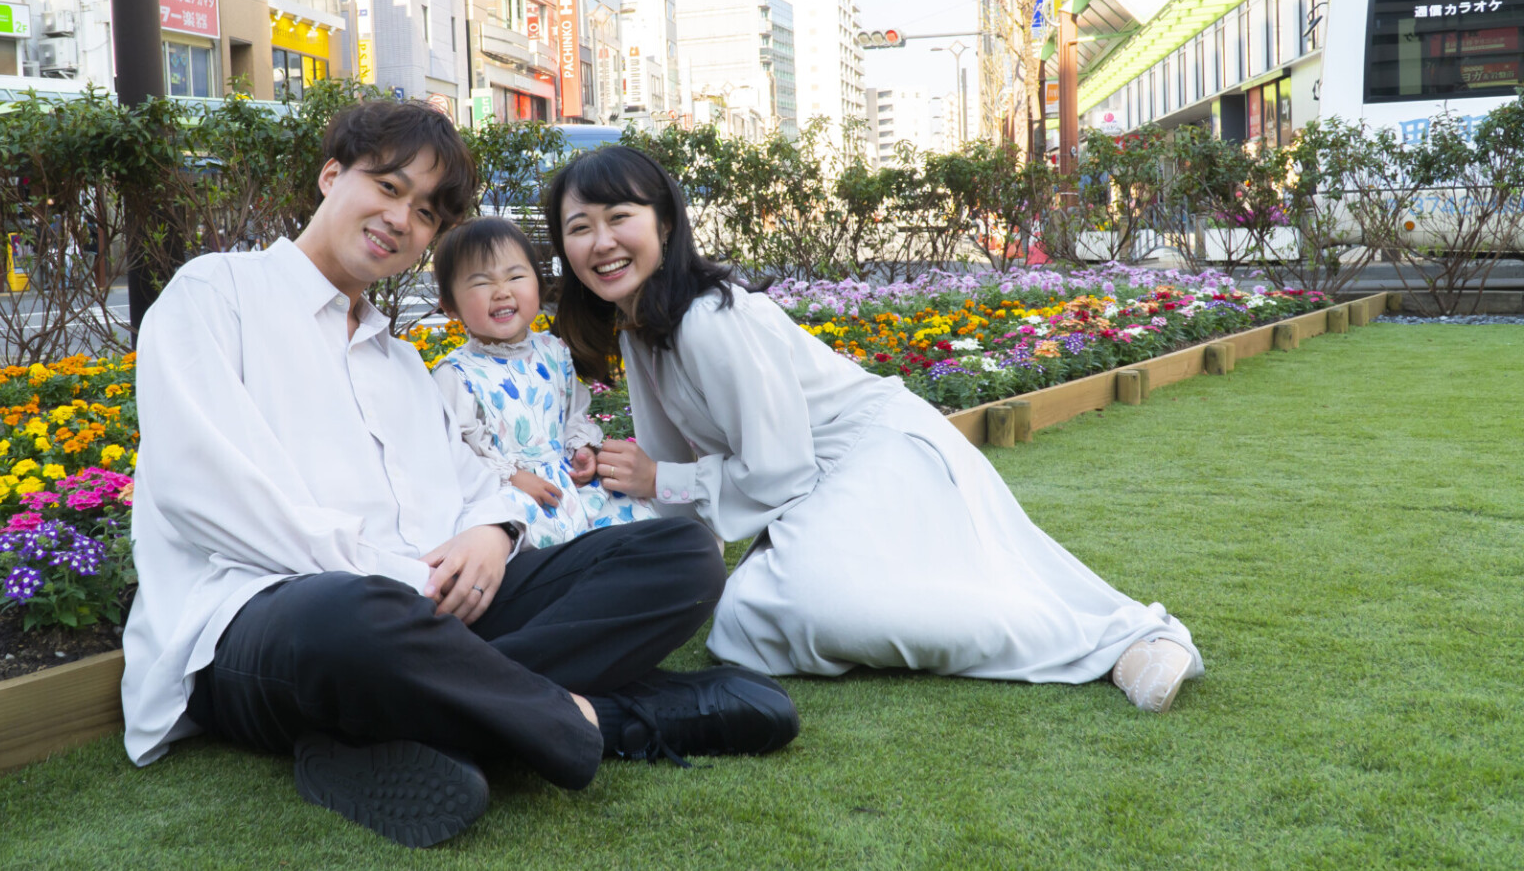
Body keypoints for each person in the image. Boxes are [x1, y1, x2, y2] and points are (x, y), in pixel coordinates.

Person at [122, 102, 798, 850]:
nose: (401, 220)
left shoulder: (401, 363)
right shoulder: (215, 296)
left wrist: (493, 528)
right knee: (350, 617)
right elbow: (207, 496)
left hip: (431, 611)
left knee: (679, 556)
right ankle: (598, 722)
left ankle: (387, 736)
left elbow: (475, 484)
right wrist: (399, 582)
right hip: (266, 623)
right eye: (387, 187)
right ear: (331, 175)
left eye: (425, 213)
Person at [544, 146, 1204, 714]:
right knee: (743, 620)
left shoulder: (708, 319)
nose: (601, 242)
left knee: (802, 610)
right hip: (815, 488)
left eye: (619, 218)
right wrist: (662, 544)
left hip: (876, 456)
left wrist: (663, 480)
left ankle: (1122, 641)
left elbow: (773, 470)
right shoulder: (640, 331)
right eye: (580, 227)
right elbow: (667, 470)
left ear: (664, 223)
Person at [430, 216, 660, 550]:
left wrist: (581, 449)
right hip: (512, 492)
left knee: (636, 527)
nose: (502, 292)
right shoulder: (457, 373)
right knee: (535, 545)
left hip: (570, 482)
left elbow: (572, 414)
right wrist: (513, 477)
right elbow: (459, 451)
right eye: (482, 283)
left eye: (516, 276)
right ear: (450, 306)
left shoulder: (554, 351)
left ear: (537, 284)